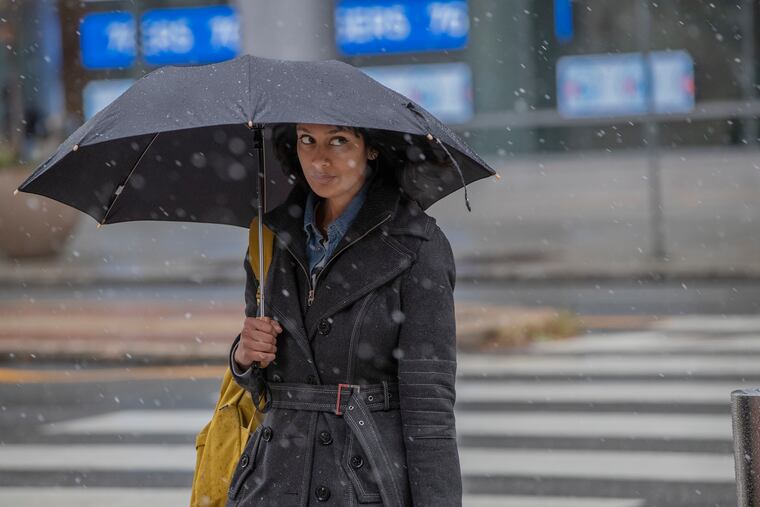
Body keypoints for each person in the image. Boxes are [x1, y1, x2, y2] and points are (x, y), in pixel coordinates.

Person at [228, 122, 461, 506]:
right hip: (272, 484)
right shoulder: (269, 236)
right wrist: (245, 355)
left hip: (362, 484)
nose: (320, 158)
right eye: (308, 140)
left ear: (371, 148)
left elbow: (430, 408)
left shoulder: (417, 245)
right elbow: (262, 390)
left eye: (339, 140)